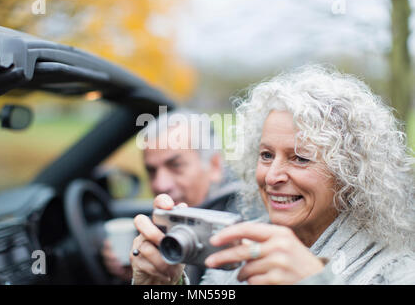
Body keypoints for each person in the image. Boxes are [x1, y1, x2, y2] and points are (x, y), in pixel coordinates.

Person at [130, 64, 415, 285]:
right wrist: (163, 285)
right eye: (266, 155)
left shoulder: (398, 268)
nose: (271, 176)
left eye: (300, 158)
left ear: (350, 172)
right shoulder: (240, 249)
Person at [102, 109, 238, 284]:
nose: (160, 184)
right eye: (151, 171)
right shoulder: (160, 226)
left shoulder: (243, 224)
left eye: (176, 165)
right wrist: (142, 271)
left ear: (214, 166)